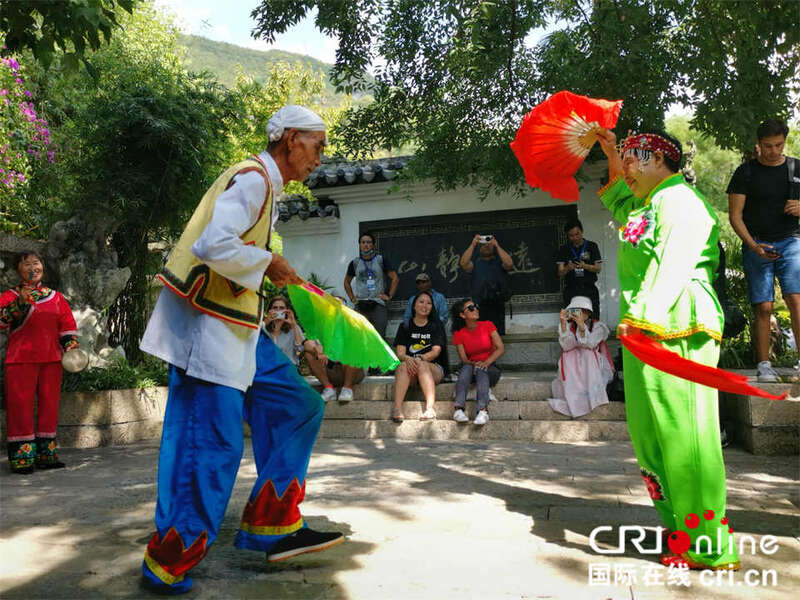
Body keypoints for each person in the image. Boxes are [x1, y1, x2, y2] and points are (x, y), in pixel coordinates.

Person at [138, 105, 342, 594]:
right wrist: (269, 261)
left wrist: (267, 265)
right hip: (210, 333)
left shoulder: (265, 186)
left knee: (299, 405)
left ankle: (274, 522)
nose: (319, 158)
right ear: (290, 139)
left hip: (240, 332)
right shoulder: (253, 179)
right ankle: (168, 562)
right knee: (211, 446)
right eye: (316, 146)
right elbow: (214, 245)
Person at [596, 127, 739, 570]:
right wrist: (611, 152)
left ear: (657, 158)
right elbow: (620, 200)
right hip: (647, 326)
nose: (625, 170)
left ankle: (708, 544)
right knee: (652, 435)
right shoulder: (647, 204)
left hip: (677, 323)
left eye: (632, 159)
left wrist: (644, 317)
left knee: (685, 433)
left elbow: (672, 263)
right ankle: (681, 526)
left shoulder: (679, 201)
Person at [726, 118, 800, 381]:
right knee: (764, 306)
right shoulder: (745, 172)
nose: (774, 151)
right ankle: (764, 365)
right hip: (757, 242)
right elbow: (735, 216)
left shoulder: (796, 168)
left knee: (796, 300)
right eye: (768, 146)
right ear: (758, 145)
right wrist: (753, 246)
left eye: (779, 145)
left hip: (791, 241)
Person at [1, 251, 79, 473]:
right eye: (26, 264)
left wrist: (71, 349)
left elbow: (67, 326)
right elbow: (1, 321)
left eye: (36, 262)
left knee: (49, 406)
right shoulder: (9, 296)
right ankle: (22, 458)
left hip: (51, 360)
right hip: (20, 360)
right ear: (18, 270)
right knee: (20, 407)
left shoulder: (56, 298)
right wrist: (20, 303)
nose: (32, 267)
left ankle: (47, 455)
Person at [342, 232, 399, 399]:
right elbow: (346, 282)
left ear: (373, 244)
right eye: (363, 242)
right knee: (359, 337)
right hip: (361, 304)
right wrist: (353, 298)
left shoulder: (381, 260)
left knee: (379, 335)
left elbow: (395, 278)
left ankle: (379, 367)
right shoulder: (355, 263)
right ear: (359, 244)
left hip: (378, 303)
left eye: (368, 242)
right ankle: (361, 368)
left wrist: (389, 296)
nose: (366, 245)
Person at [548, 296, 614, 418]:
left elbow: (590, 344)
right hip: (573, 360)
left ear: (588, 313)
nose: (578, 313)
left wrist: (582, 327)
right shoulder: (567, 326)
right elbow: (567, 346)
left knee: (587, 354)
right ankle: (575, 399)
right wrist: (563, 324)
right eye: (575, 310)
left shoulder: (598, 326)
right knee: (568, 355)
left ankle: (592, 398)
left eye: (582, 310)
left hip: (591, 360)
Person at [391, 291, 446, 422]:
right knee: (402, 366)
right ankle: (397, 408)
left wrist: (420, 358)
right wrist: (409, 359)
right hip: (410, 369)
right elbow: (400, 353)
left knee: (421, 365)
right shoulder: (405, 326)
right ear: (414, 306)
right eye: (421, 302)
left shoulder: (436, 326)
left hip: (433, 368)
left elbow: (435, 352)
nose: (425, 305)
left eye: (429, 303)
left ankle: (430, 409)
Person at [450, 299, 505, 425]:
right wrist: (475, 364)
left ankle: (483, 411)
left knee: (481, 369)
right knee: (466, 368)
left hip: (490, 367)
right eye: (470, 308)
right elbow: (464, 359)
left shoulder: (488, 325)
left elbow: (500, 348)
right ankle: (458, 410)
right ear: (462, 315)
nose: (475, 309)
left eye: (475, 306)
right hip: (470, 367)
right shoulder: (459, 333)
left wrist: (485, 362)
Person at [459, 235, 513, 334]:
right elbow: (464, 264)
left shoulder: (499, 262)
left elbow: (509, 264)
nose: (487, 246)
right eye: (483, 245)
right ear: (479, 248)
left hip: (497, 306)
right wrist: (473, 244)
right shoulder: (475, 263)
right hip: (479, 307)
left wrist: (497, 245)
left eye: (489, 244)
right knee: (481, 336)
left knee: (497, 336)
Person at [556, 219, 603, 318]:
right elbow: (560, 273)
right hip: (572, 290)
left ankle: (592, 327)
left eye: (577, 234)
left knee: (592, 318)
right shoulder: (564, 249)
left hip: (589, 289)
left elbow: (598, 268)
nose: (575, 237)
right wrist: (568, 268)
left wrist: (585, 266)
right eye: (571, 235)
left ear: (582, 231)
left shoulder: (592, 246)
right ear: (567, 235)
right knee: (574, 319)